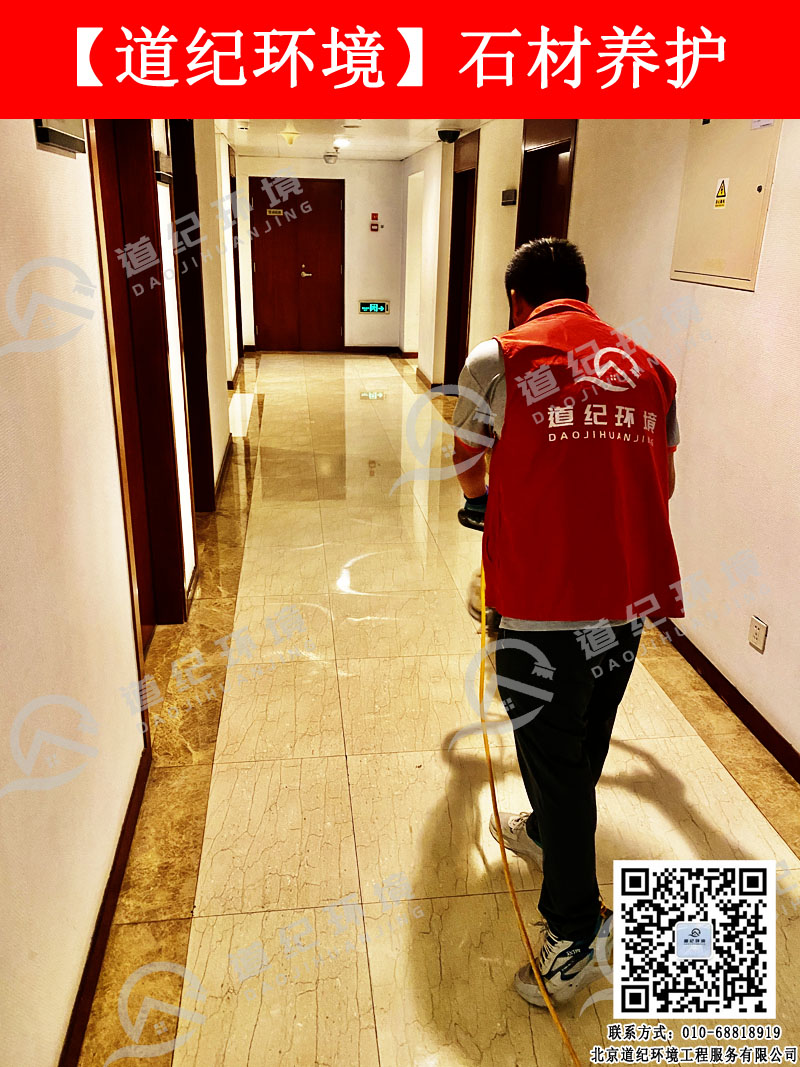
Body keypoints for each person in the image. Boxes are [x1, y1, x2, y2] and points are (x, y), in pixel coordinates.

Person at [451, 237, 683, 1007]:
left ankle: (573, 939)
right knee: (585, 738)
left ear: (518, 300)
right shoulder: (649, 367)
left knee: (551, 757)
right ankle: (551, 832)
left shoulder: (498, 358)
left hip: (540, 606)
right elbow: (662, 482)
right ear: (583, 291)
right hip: (626, 601)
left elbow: (466, 458)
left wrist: (485, 505)